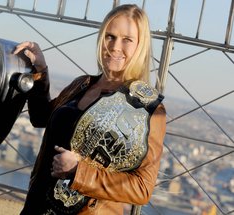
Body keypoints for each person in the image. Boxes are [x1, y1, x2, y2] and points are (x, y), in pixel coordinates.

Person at [14, 4, 166, 215]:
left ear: (140, 46)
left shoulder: (146, 108)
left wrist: (79, 172)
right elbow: (40, 118)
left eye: (127, 40)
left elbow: (142, 188)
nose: (114, 46)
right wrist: (40, 71)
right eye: (110, 36)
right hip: (36, 207)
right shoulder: (82, 84)